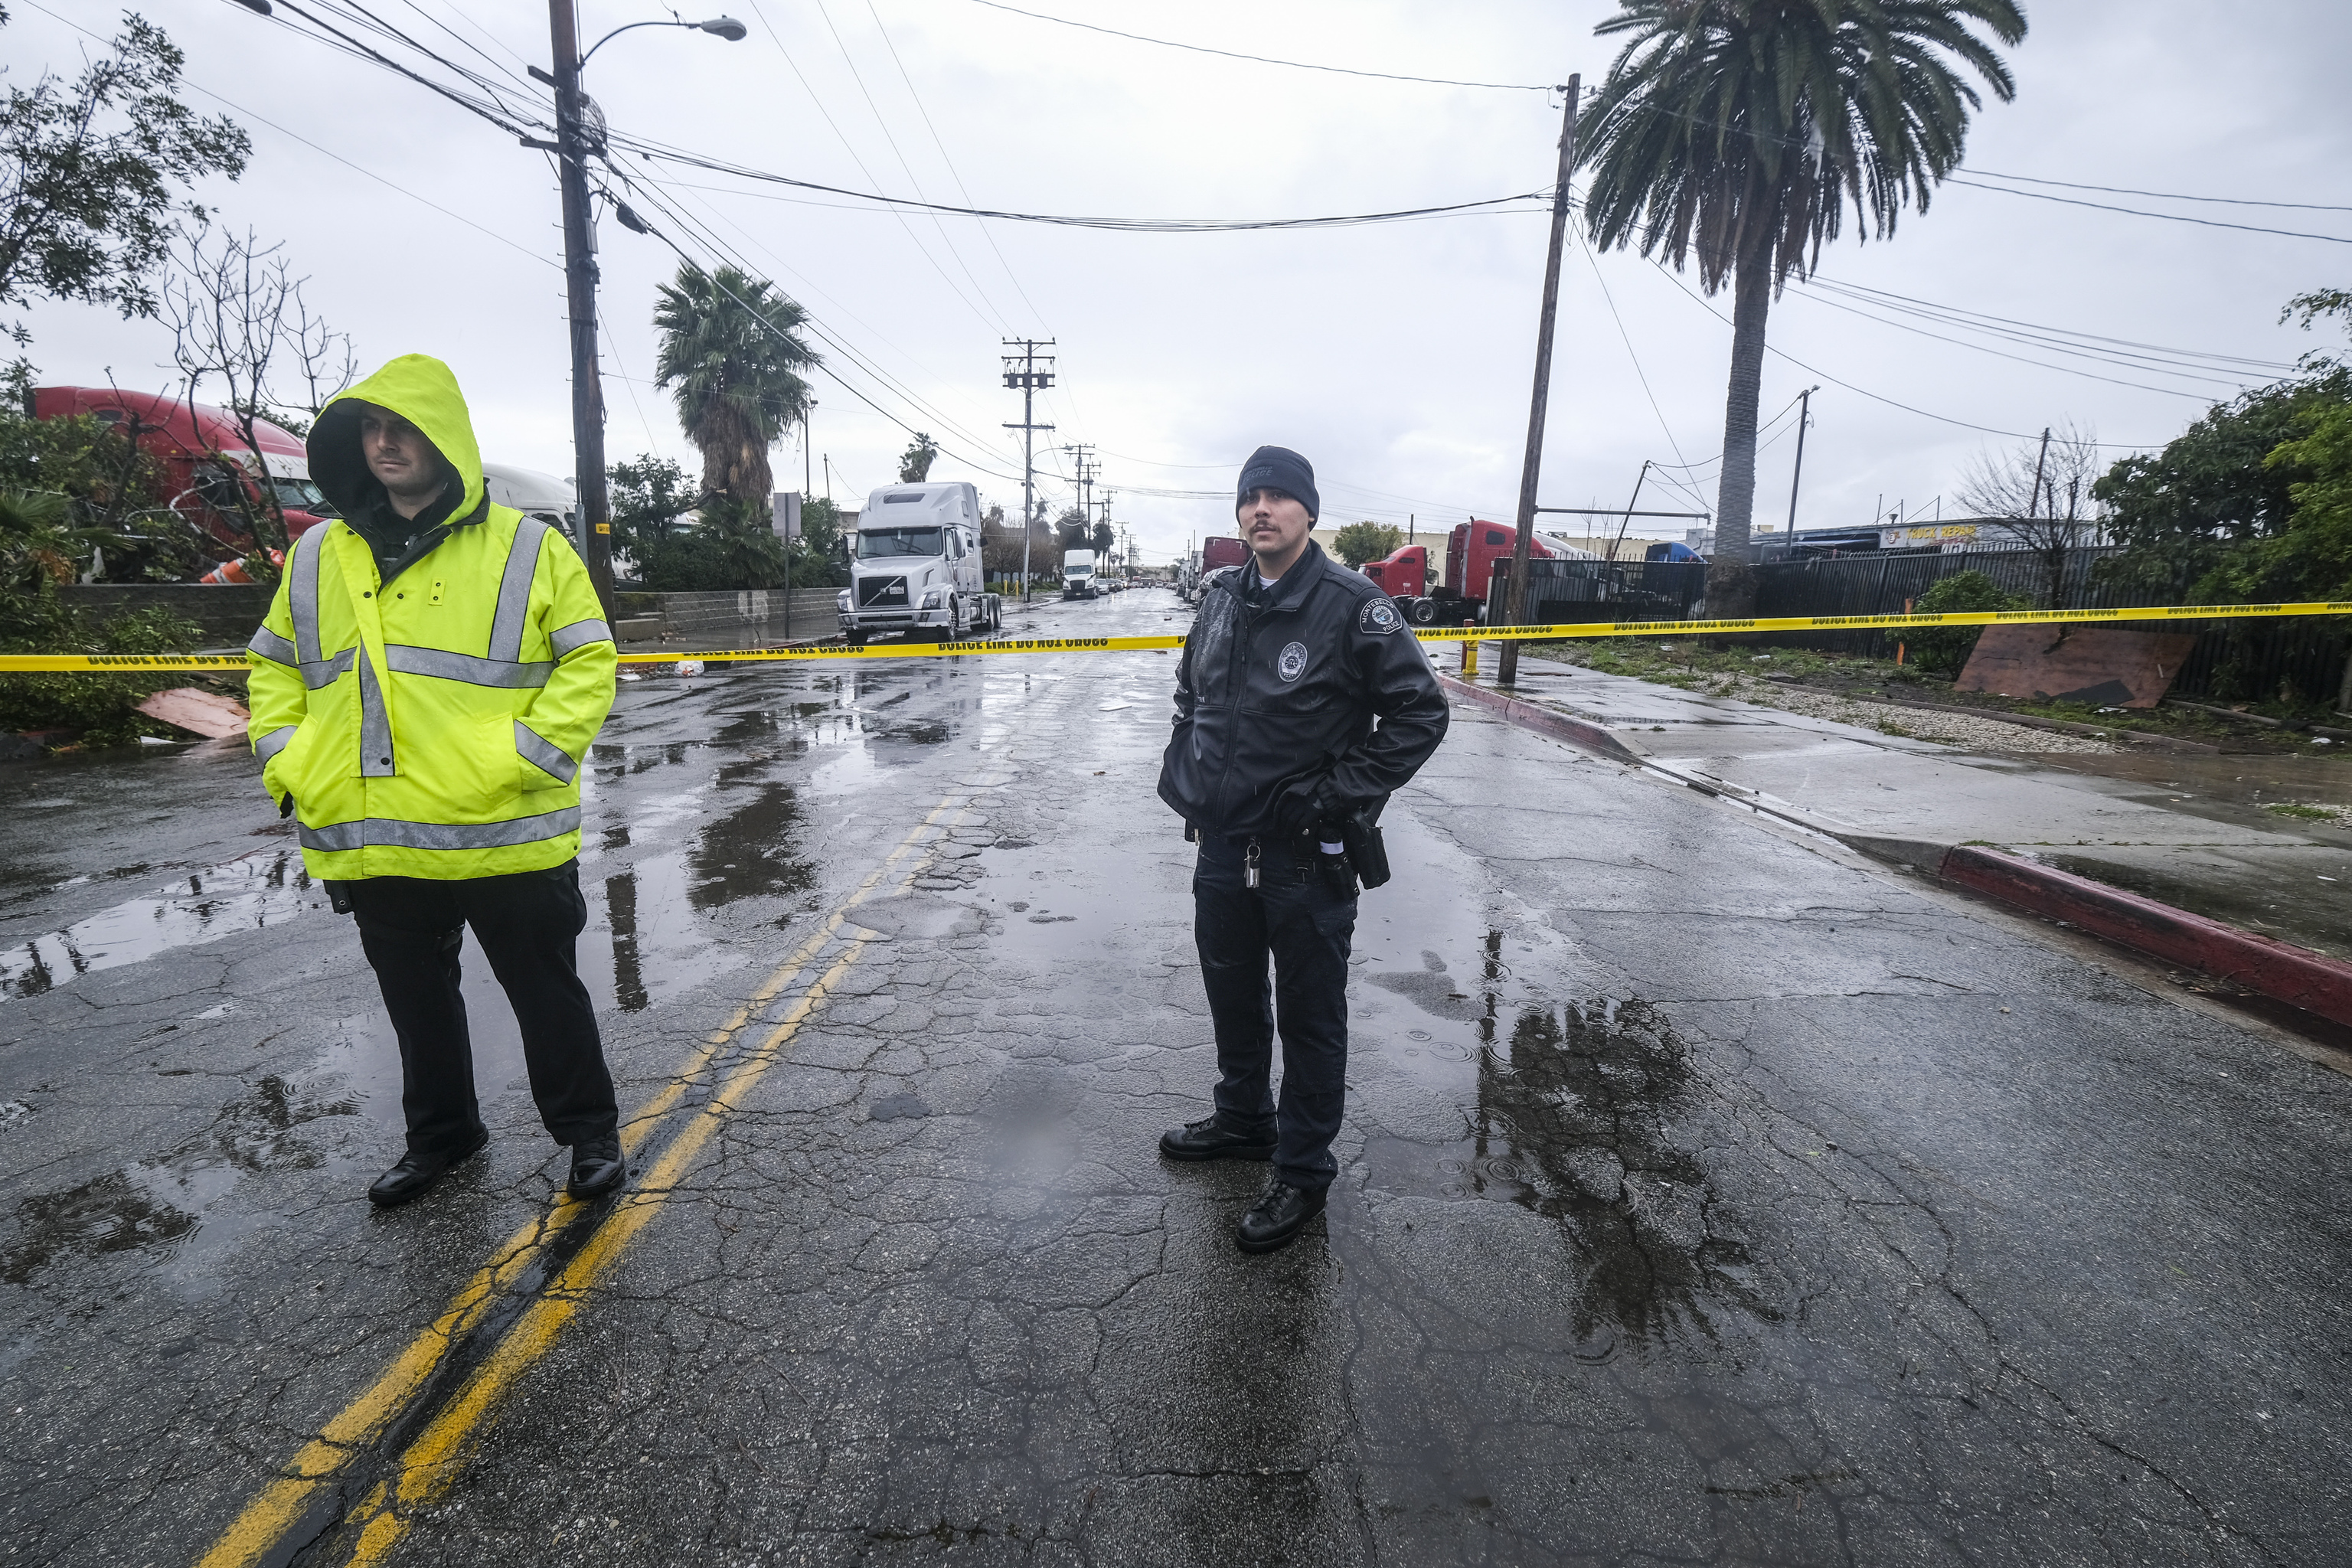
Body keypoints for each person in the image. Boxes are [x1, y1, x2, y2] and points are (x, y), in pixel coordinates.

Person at [244, 354, 625, 1208]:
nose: (384, 443)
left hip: (505, 827)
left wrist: (524, 759)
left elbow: (589, 659)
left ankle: (589, 1136)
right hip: (378, 834)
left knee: (546, 997)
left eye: (402, 426)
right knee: (417, 1008)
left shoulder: (530, 547)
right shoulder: (315, 557)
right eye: (369, 429)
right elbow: (271, 668)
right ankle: (444, 1138)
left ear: (444, 436)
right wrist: (289, 758)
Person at [1155, 446, 1449, 1252]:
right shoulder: (1219, 598)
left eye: (1281, 496)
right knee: (1232, 989)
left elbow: (1421, 715)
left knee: (1311, 1017)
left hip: (1305, 857)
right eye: (1251, 496)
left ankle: (1302, 1170)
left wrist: (1333, 792)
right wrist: (1189, 762)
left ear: (1309, 513)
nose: (1263, 509)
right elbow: (1192, 691)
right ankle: (1244, 1117)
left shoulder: (1353, 606)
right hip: (1223, 846)